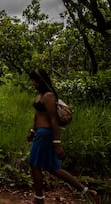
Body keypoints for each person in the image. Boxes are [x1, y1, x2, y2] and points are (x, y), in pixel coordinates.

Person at [27, 69, 98, 204]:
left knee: (34, 164)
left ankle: (39, 199)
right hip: (39, 133)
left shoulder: (49, 96)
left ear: (41, 80)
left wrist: (57, 143)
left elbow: (53, 120)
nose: (33, 83)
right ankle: (86, 192)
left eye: (35, 80)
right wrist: (32, 131)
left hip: (45, 135)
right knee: (53, 168)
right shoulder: (40, 95)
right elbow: (37, 116)